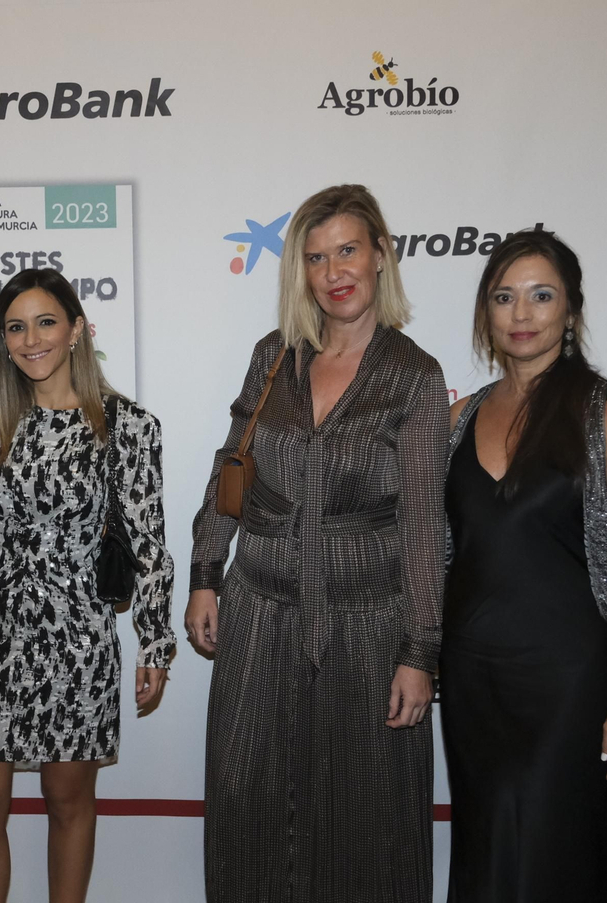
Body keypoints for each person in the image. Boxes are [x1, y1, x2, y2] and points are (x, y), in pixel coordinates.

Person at [186, 184, 448, 902]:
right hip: (259, 616)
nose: (334, 270)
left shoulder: (415, 377)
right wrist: (206, 570)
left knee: (364, 822)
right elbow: (231, 467)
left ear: (381, 255)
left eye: (348, 250)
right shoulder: (275, 356)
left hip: (366, 629)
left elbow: (425, 523)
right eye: (315, 256)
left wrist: (420, 650)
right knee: (248, 806)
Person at [441, 230, 607, 901]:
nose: (522, 313)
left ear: (571, 310)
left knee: (553, 855)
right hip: (474, 677)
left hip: (569, 681)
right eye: (504, 297)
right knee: (484, 850)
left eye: (541, 296)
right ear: (486, 313)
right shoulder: (460, 416)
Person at [0, 268, 175, 903]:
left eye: (46, 322)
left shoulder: (125, 426)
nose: (31, 339)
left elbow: (150, 542)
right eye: (15, 327)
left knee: (67, 802)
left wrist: (154, 641)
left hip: (78, 640)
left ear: (76, 330)